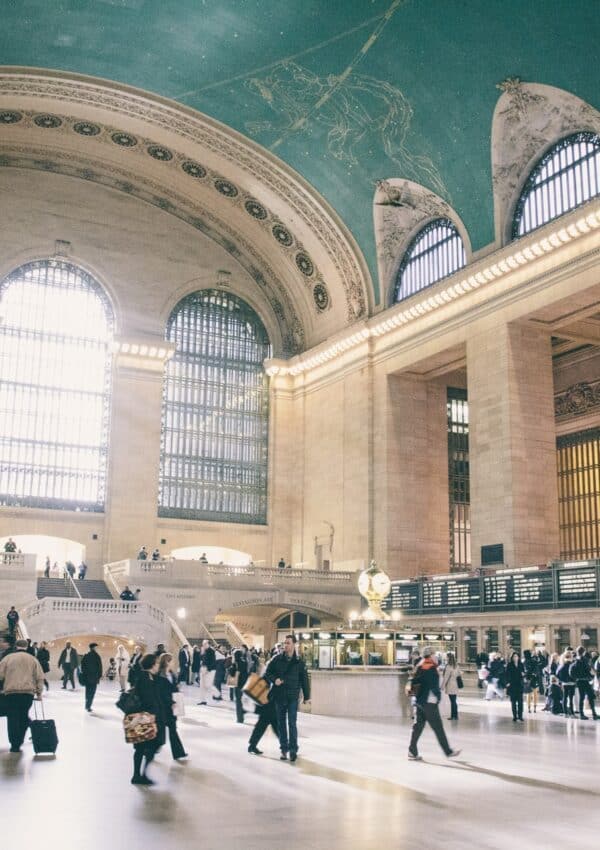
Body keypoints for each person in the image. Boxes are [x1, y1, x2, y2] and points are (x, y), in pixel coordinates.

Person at [407, 646, 460, 761]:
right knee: (438, 728)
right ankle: (448, 751)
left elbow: (414, 681)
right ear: (430, 655)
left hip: (419, 701)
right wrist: (437, 697)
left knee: (418, 727)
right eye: (435, 654)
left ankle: (412, 750)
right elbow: (433, 686)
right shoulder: (430, 667)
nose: (436, 656)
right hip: (429, 702)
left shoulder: (420, 665)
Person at [264, 634, 310, 762]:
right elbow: (268, 672)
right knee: (281, 723)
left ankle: (293, 750)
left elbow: (304, 680)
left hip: (293, 697)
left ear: (294, 644)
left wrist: (307, 696)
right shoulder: (277, 659)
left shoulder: (299, 662)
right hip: (280, 696)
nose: (286, 645)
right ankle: (284, 749)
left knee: (292, 723)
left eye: (288, 643)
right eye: (285, 643)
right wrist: (275, 680)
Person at [0, 638, 44, 753]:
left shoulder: (8, 658)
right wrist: (39, 693)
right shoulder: (33, 659)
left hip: (11, 693)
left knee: (13, 718)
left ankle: (15, 744)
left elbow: (0, 675)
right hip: (27, 694)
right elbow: (40, 677)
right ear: (26, 647)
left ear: (16, 646)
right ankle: (20, 740)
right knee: (23, 716)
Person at [130, 653, 166, 785]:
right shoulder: (144, 678)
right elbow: (147, 699)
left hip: (147, 717)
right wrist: (153, 715)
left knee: (144, 747)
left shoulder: (150, 677)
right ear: (152, 664)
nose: (158, 665)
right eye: (156, 663)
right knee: (144, 747)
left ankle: (140, 775)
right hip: (145, 718)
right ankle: (138, 775)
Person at [156, 653, 188, 760]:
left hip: (172, 706)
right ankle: (153, 748)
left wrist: (177, 688)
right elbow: (161, 693)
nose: (173, 662)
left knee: (173, 730)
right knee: (160, 730)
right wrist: (171, 702)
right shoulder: (160, 675)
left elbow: (173, 687)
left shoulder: (171, 674)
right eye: (171, 660)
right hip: (164, 707)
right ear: (166, 662)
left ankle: (178, 753)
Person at [569, 646, 599, 720]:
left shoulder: (575, 660)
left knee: (581, 698)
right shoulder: (585, 660)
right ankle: (594, 714)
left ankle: (582, 714)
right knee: (590, 697)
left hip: (579, 681)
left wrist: (575, 678)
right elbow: (588, 669)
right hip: (585, 680)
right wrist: (590, 677)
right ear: (583, 651)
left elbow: (571, 671)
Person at [248, 691, 278, 755]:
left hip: (267, 701)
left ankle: (252, 745)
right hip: (270, 701)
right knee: (275, 726)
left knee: (262, 724)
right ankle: (287, 747)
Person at [81, 642, 103, 712]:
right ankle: (89, 706)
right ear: (93, 648)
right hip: (94, 677)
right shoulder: (97, 656)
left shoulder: (86, 656)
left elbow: (82, 667)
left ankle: (87, 705)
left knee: (87, 692)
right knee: (92, 692)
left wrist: (85, 674)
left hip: (87, 677)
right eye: (96, 647)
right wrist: (99, 675)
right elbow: (100, 667)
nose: (97, 649)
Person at [505, 651, 525, 722]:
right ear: (512, 658)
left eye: (517, 656)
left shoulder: (521, 664)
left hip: (519, 685)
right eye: (514, 657)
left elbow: (523, 673)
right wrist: (507, 682)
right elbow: (507, 674)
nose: (515, 658)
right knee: (513, 702)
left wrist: (523, 674)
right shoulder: (509, 665)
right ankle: (514, 716)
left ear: (519, 657)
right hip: (512, 685)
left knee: (520, 702)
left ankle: (520, 716)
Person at [441, 651, 461, 720]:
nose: (445, 658)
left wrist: (442, 686)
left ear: (448, 658)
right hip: (455, 684)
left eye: (446, 657)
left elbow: (446, 677)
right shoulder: (456, 665)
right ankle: (455, 716)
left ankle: (453, 716)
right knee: (454, 701)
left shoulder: (449, 666)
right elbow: (459, 674)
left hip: (450, 685)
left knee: (452, 701)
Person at [557, 649, 576, 716]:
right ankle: (572, 713)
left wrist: (562, 680)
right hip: (572, 683)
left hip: (564, 683)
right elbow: (574, 673)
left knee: (565, 697)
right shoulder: (572, 664)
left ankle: (565, 713)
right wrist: (574, 680)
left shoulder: (562, 664)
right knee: (571, 699)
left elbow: (557, 674)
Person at [197, 640, 216, 705]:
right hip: (203, 669)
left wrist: (208, 669)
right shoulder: (204, 651)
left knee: (208, 685)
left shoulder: (211, 651)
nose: (203, 645)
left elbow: (213, 661)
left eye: (205, 644)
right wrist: (202, 653)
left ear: (208, 644)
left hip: (209, 670)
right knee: (202, 685)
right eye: (203, 644)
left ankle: (216, 694)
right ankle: (203, 700)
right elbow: (201, 659)